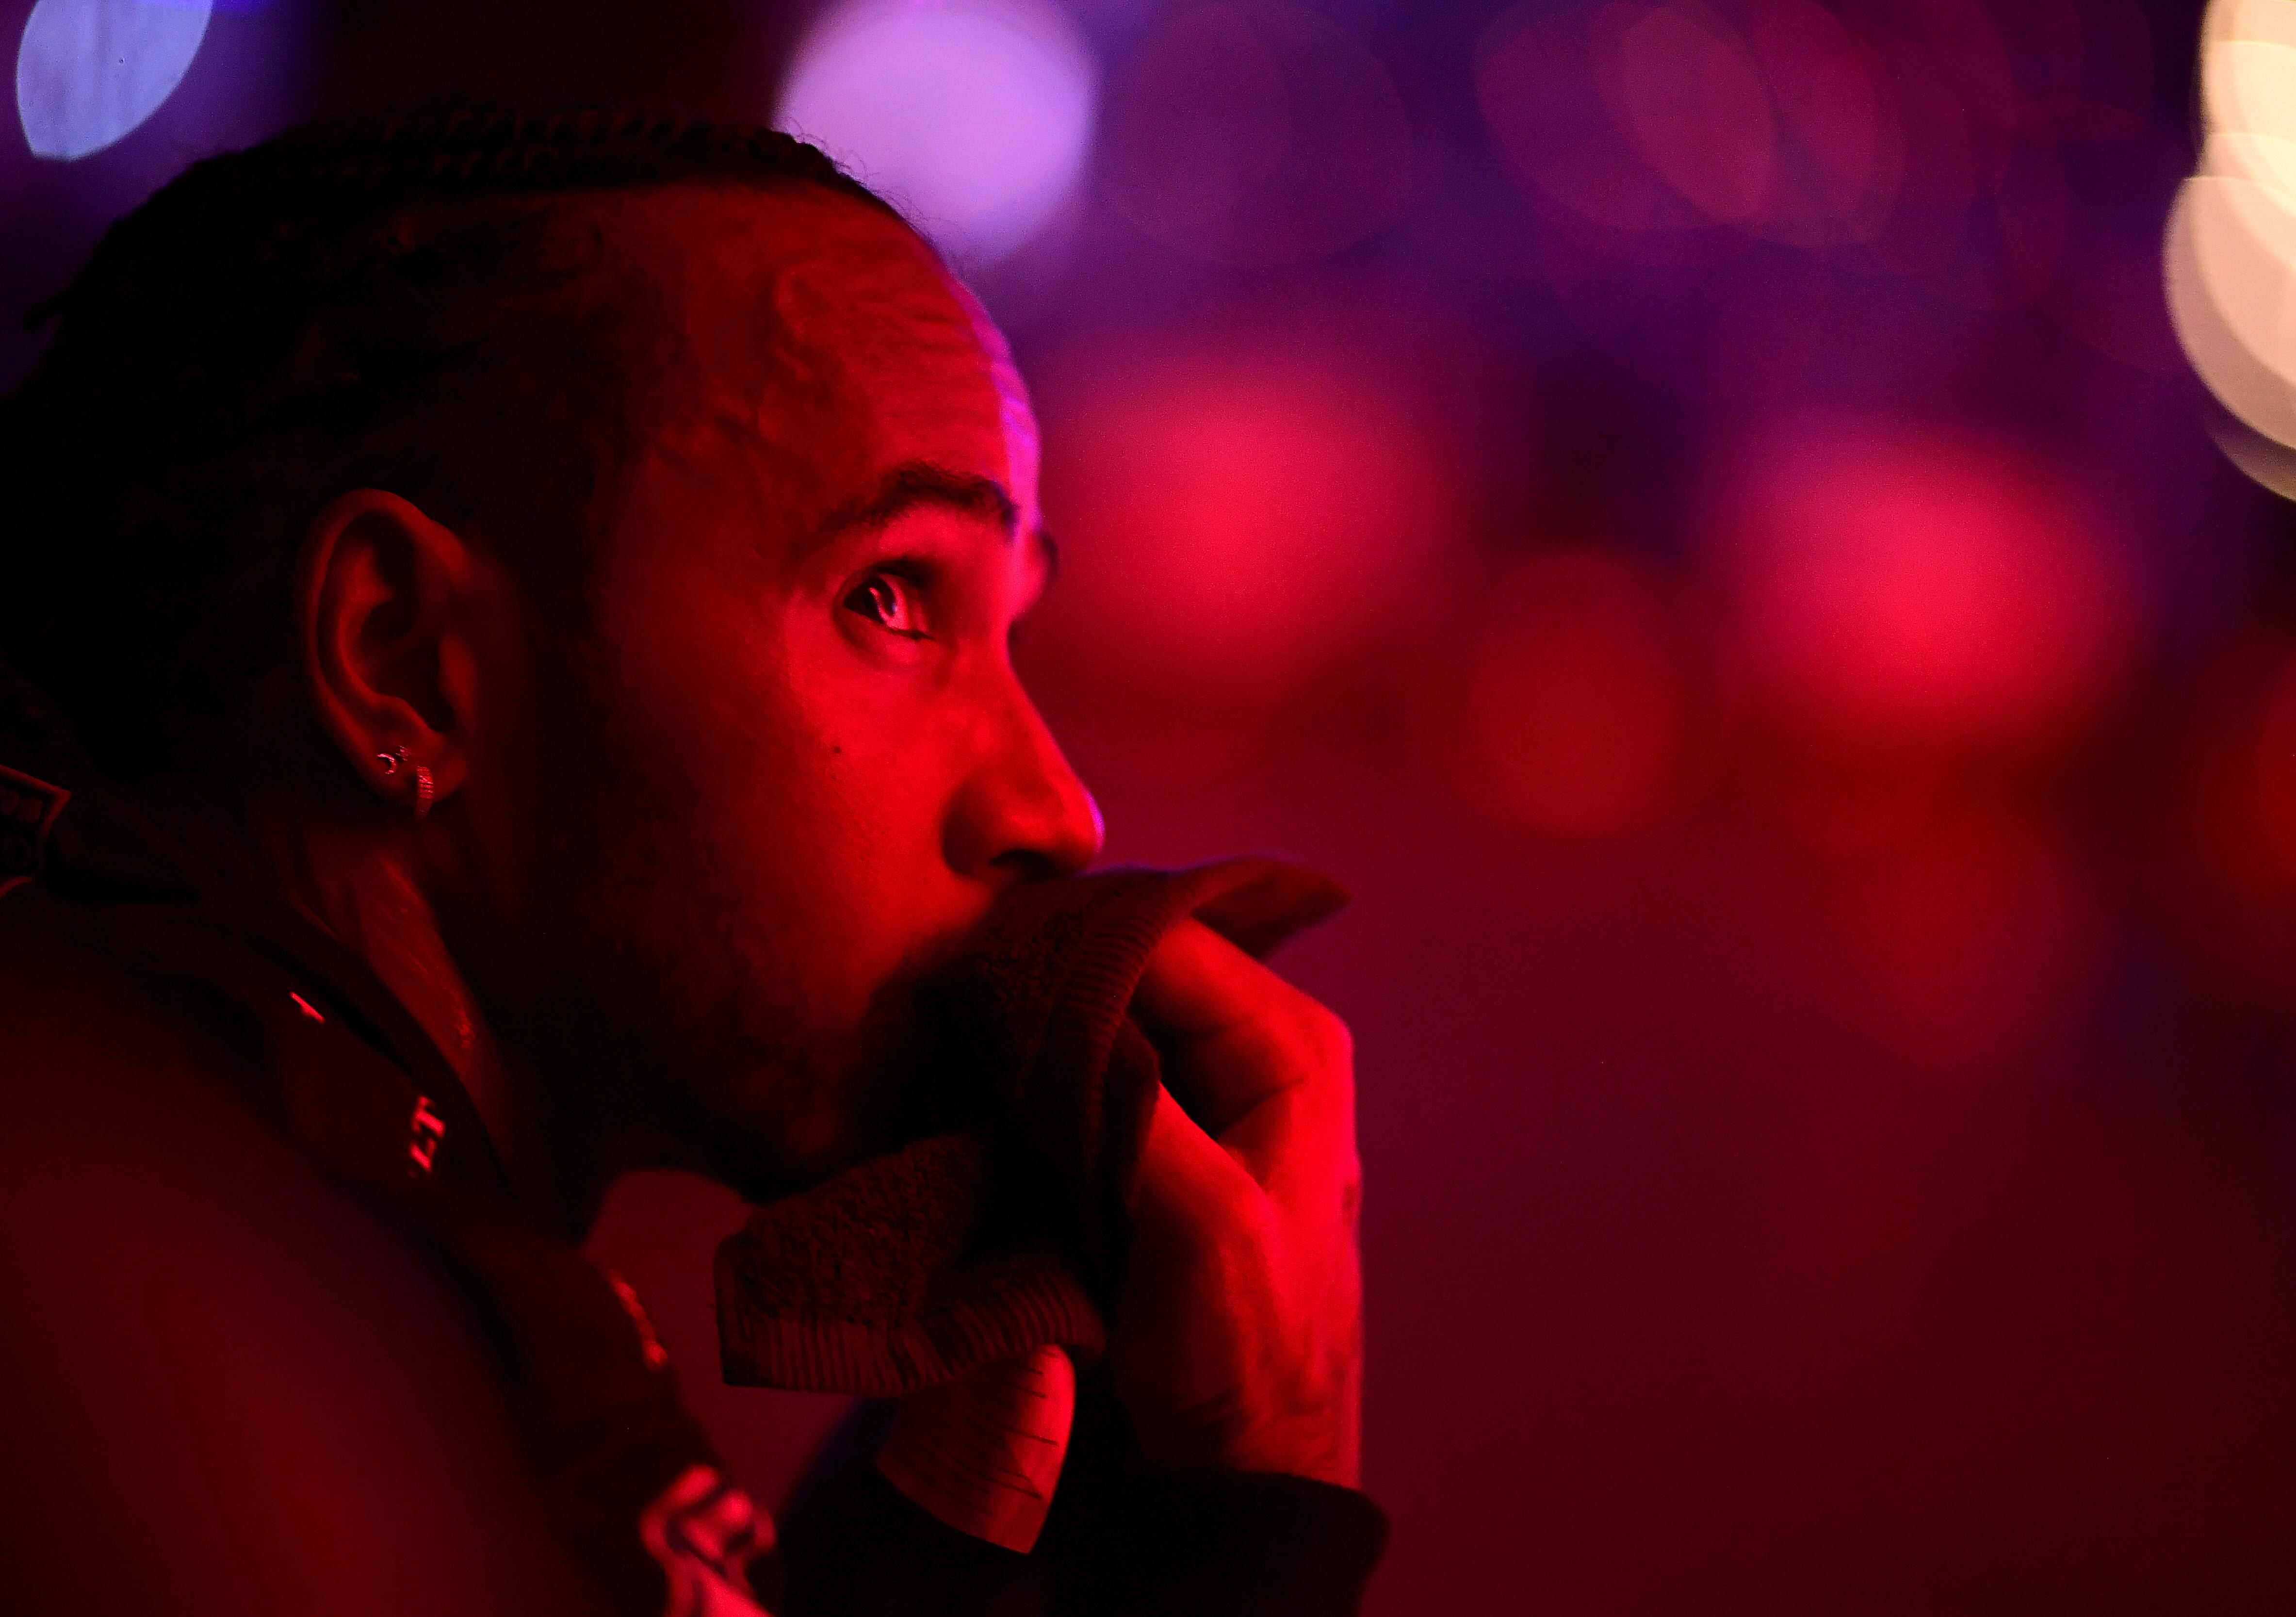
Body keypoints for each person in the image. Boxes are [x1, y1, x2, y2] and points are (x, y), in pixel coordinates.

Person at [0, 98, 1383, 1615]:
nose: (1060, 809)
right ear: (405, 657)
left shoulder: (134, 1067)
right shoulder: (325, 1323)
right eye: (894, 598)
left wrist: (897, 1566)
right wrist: (1256, 1498)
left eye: (1016, 625)